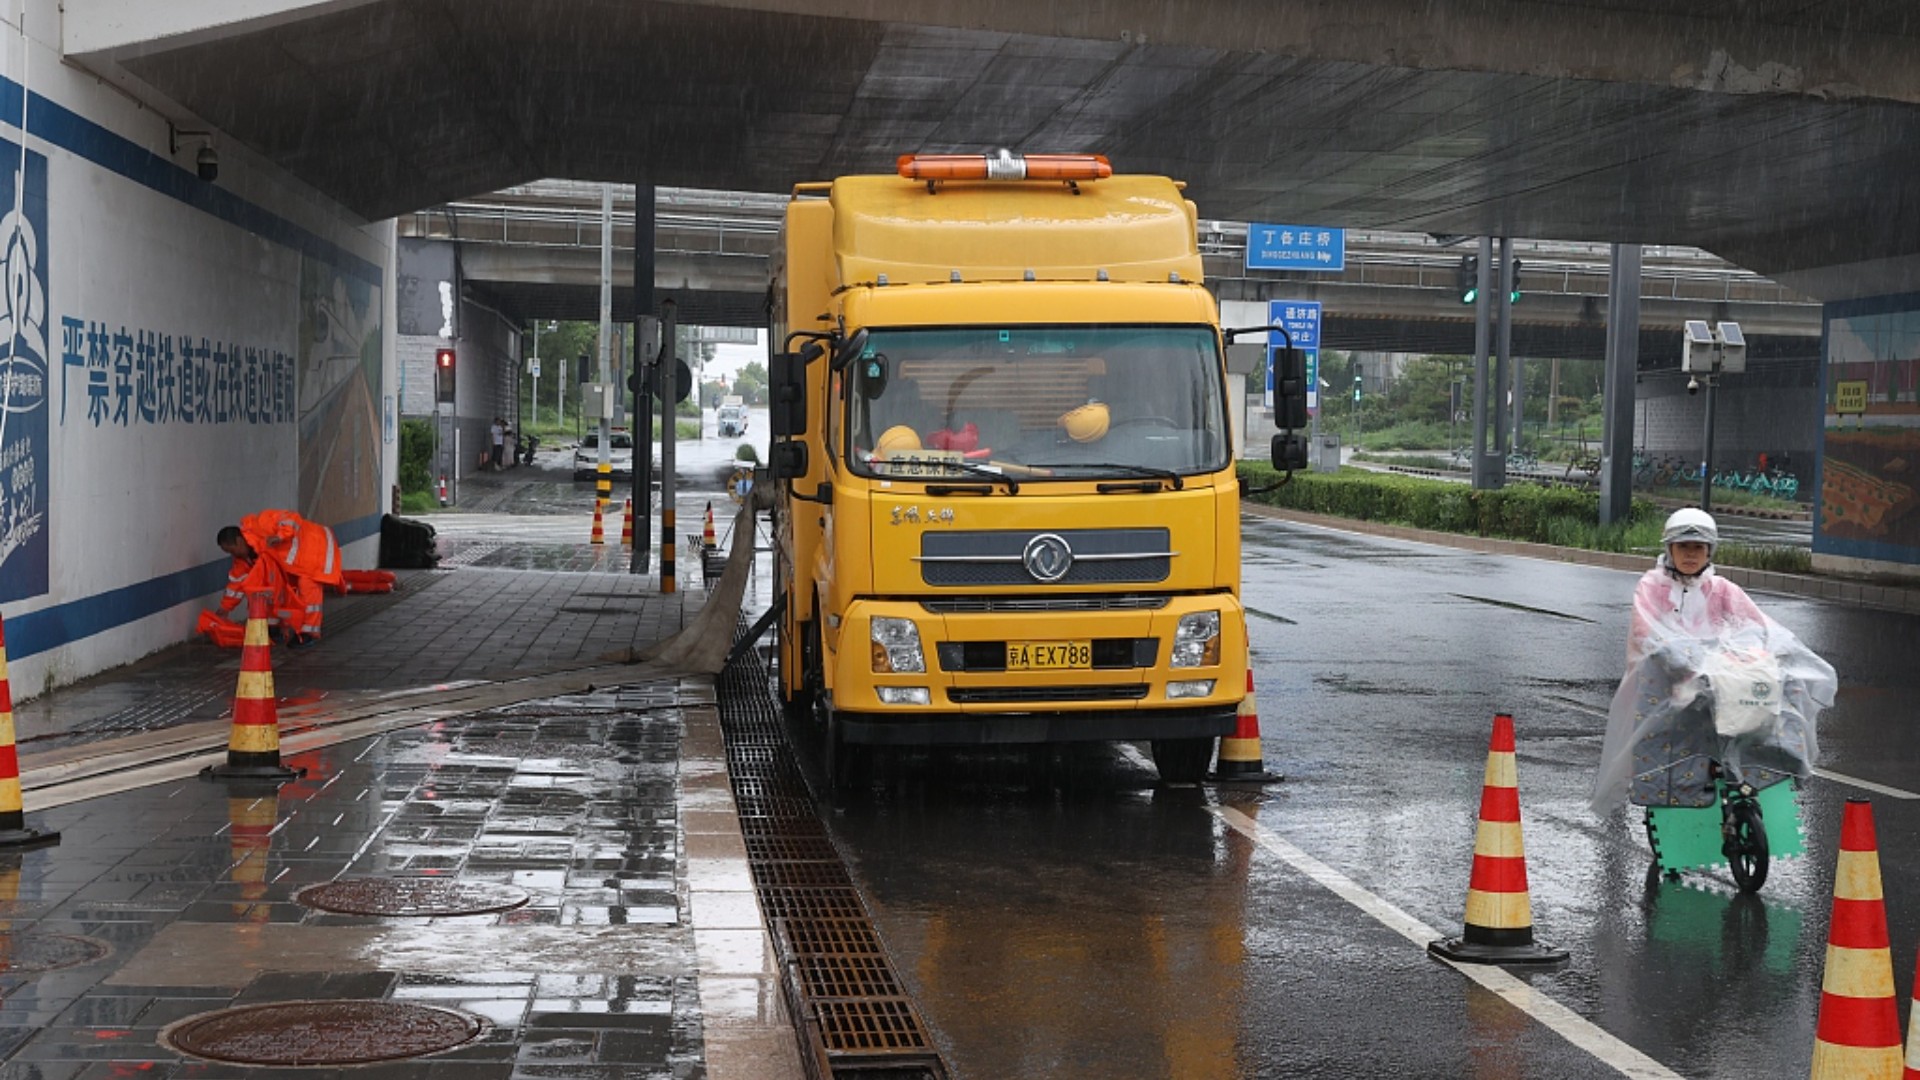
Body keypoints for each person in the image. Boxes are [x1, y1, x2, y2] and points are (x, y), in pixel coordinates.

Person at [1590, 508, 1836, 815]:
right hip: (1666, 678)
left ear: (1709, 551)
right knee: (1671, 744)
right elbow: (1647, 631)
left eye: (1698, 548)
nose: (1690, 554)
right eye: (1683, 547)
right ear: (1669, 549)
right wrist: (1681, 657)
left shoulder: (1721, 589)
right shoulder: (1652, 585)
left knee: (1776, 698)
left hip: (1717, 675)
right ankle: (1670, 797)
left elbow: (1754, 626)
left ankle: (1775, 772)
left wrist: (1767, 652)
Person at [213, 509, 345, 650]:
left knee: (308, 589)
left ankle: (309, 633)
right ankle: (275, 628)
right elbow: (237, 583)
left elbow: (291, 518)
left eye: (231, 550)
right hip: (298, 562)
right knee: (272, 587)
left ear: (239, 541)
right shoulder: (244, 560)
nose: (232, 554)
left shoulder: (261, 523)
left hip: (315, 548)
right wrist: (224, 608)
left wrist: (281, 535)